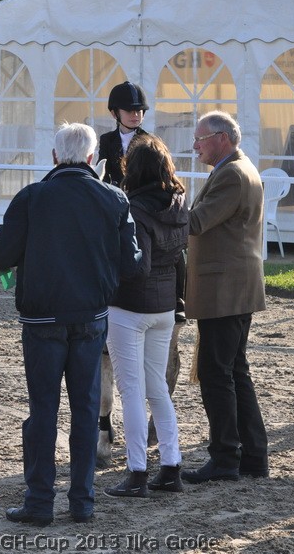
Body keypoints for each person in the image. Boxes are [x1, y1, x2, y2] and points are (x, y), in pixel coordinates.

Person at [0, 122, 141, 525]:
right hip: (90, 318)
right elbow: (132, 263)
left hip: (42, 318)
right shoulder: (114, 199)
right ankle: (82, 502)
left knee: (43, 411)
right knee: (85, 410)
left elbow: (2, 252)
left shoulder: (32, 197)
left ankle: (40, 501)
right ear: (93, 158)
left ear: (55, 156)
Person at [182, 111, 268, 484]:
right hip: (233, 288)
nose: (195, 146)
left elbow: (196, 222)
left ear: (222, 138)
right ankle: (252, 456)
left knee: (216, 373)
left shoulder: (231, 174)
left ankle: (225, 457)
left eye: (200, 139)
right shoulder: (237, 168)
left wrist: (162, 201)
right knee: (233, 370)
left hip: (225, 289)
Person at [104, 134, 188, 498]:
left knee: (132, 391)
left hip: (131, 308)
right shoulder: (180, 203)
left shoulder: (134, 209)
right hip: (165, 306)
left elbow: (139, 266)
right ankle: (170, 466)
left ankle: (137, 471)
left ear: (133, 169)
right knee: (157, 389)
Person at [98, 81, 149, 186]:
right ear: (114, 113)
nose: (135, 114)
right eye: (129, 110)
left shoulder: (149, 141)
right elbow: (104, 174)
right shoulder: (107, 140)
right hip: (114, 193)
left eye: (139, 110)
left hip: (141, 193)